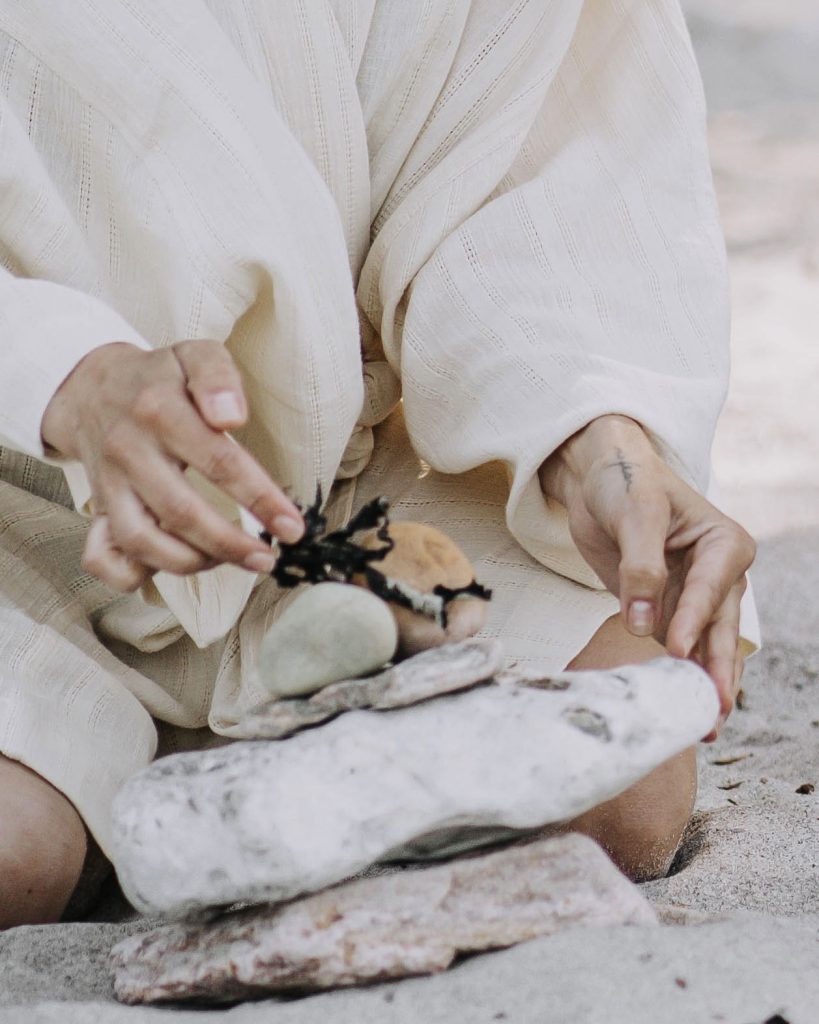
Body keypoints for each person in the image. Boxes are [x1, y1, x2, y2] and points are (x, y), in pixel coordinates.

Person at [0, 0, 758, 928]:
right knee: (11, 856)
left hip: (319, 491)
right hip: (21, 498)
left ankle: (174, 796)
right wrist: (63, 375)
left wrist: (591, 443)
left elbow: (525, 173)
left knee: (620, 790)